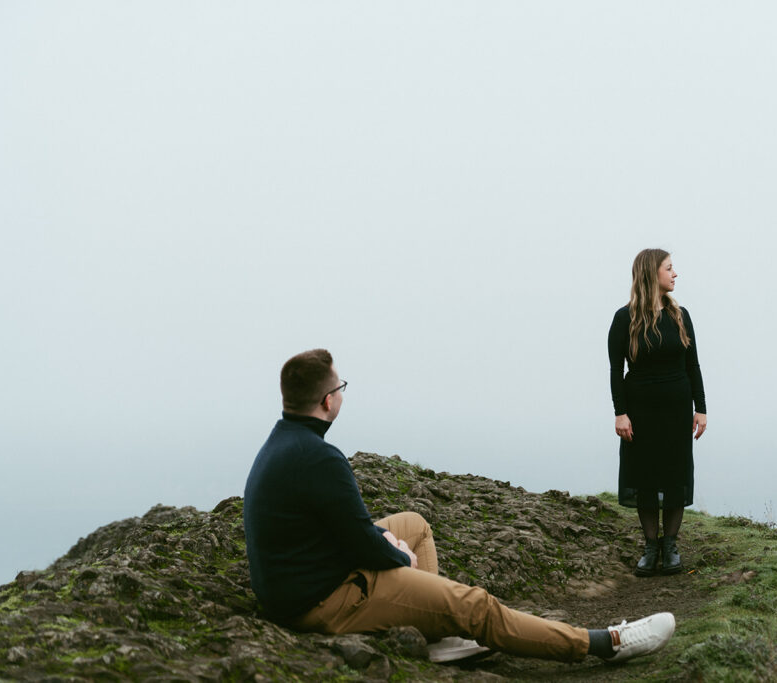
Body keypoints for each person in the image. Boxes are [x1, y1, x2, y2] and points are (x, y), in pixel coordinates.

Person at [244, 348, 676, 664]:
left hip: (303, 583)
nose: (341, 393)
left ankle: (436, 636)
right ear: (327, 401)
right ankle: (601, 643)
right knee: (475, 606)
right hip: (322, 603)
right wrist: (394, 553)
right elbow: (361, 545)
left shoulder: (284, 442)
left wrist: (387, 537)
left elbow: (343, 526)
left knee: (412, 524)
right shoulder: (320, 459)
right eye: (340, 387)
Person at [607, 249, 707, 577]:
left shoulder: (681, 315)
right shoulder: (625, 318)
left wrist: (701, 408)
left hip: (677, 409)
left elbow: (692, 365)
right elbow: (614, 370)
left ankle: (671, 546)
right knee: (645, 477)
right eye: (669, 268)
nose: (675, 274)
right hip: (640, 411)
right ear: (653, 274)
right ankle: (651, 547)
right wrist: (620, 414)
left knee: (675, 476)